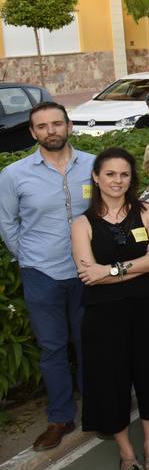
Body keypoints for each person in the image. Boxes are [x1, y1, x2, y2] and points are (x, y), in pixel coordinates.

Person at [71, 147, 149, 470]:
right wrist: (134, 267)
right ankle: (126, 450)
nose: (117, 181)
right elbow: (87, 272)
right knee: (110, 380)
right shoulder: (82, 223)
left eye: (124, 174)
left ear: (132, 178)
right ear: (96, 177)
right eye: (110, 174)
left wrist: (112, 270)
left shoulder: (147, 211)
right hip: (103, 315)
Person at [0, 102, 95, 450]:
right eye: (42, 126)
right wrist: (26, 257)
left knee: (89, 342)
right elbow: (8, 223)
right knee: (53, 347)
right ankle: (60, 417)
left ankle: (97, 408)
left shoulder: (93, 165)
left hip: (89, 272)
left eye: (57, 124)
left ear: (69, 126)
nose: (51, 131)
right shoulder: (14, 175)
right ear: (32, 132)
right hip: (42, 272)